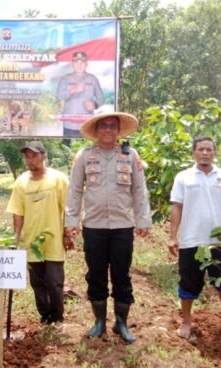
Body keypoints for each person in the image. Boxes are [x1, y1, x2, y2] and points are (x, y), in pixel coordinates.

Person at [65, 112, 151, 343]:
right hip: (94, 226)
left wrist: (143, 220)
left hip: (123, 226)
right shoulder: (84, 156)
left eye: (112, 126)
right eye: (103, 126)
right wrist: (71, 221)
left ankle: (121, 323)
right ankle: (99, 321)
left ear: (118, 130)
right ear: (96, 130)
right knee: (96, 274)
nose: (108, 130)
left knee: (122, 275)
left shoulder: (130, 155)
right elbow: (74, 190)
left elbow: (139, 190)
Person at [168, 136, 221, 340]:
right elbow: (176, 207)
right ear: (194, 152)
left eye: (209, 150)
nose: (205, 153)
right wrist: (172, 236)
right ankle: (186, 322)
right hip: (190, 240)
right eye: (201, 149)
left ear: (215, 153)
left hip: (218, 242)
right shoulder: (183, 177)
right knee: (188, 284)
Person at [6, 141, 70, 325]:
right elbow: (18, 212)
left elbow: (68, 209)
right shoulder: (21, 182)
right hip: (31, 241)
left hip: (54, 239)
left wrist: (67, 233)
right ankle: (44, 316)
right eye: (27, 156)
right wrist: (15, 239)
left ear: (44, 156)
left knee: (54, 281)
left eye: (34, 155)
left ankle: (57, 317)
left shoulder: (58, 179)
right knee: (37, 282)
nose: (30, 160)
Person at [56, 51, 104, 137]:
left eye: (82, 62)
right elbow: (59, 96)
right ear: (72, 64)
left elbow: (101, 98)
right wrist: (72, 90)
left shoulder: (93, 79)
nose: (79, 65)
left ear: (86, 64)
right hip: (69, 125)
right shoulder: (65, 79)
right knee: (68, 149)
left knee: (88, 149)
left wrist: (95, 104)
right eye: (76, 62)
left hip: (87, 124)